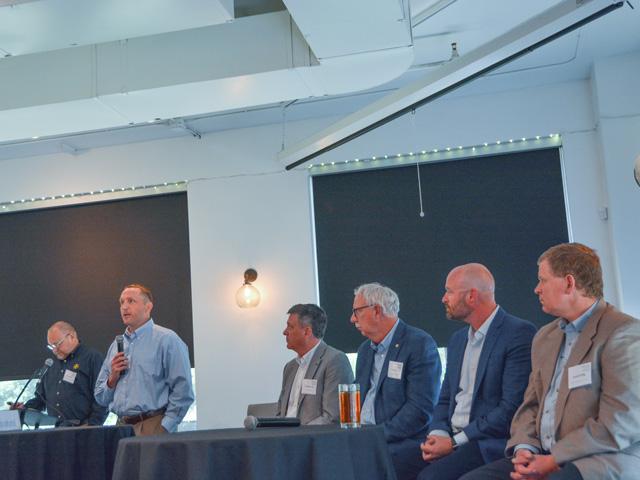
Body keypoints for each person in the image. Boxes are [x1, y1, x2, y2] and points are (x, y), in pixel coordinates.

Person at [461, 243, 640, 480]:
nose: (536, 289)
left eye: (542, 280)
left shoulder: (622, 333)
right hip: (543, 455)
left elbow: (620, 422)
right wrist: (525, 448)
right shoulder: (545, 337)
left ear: (569, 283)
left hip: (602, 458)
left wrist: (555, 458)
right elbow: (530, 405)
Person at [417, 263, 536, 480]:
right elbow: (444, 399)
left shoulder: (518, 334)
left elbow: (510, 409)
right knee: (390, 460)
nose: (444, 298)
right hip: (453, 438)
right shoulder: (457, 340)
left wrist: (454, 442)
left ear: (472, 296)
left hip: (486, 442)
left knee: (430, 478)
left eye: (449, 291)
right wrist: (438, 434)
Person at [351, 282, 442, 480]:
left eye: (356, 312)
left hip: (403, 441)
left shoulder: (419, 344)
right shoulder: (364, 351)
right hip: (365, 436)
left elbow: (419, 411)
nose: (352, 319)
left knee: (363, 464)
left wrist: (376, 436)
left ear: (376, 310)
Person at [94, 284, 194, 435]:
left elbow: (183, 390)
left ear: (148, 307)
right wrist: (112, 379)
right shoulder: (116, 345)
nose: (124, 307)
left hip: (153, 425)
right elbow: (100, 397)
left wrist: (166, 426)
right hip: (120, 427)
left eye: (131, 301)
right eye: (121, 302)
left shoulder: (167, 340)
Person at [12, 321, 108, 427]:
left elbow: (103, 396)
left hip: (84, 429)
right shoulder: (51, 364)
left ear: (71, 337)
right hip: (57, 430)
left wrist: (92, 424)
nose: (55, 350)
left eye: (57, 344)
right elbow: (41, 399)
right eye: (51, 346)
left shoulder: (92, 358)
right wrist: (24, 409)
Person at [276, 303, 354, 424]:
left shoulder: (335, 360)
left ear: (307, 331)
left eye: (290, 327)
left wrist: (298, 435)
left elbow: (333, 416)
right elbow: (280, 414)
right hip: (285, 439)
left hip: (313, 440)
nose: (284, 332)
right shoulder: (290, 367)